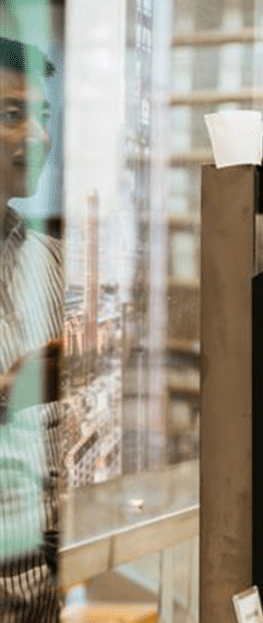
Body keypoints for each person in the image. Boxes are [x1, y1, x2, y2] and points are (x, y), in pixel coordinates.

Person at [0, 35, 63, 622]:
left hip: (47, 593)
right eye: (12, 115)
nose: (39, 136)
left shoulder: (52, 259)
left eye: (43, 116)